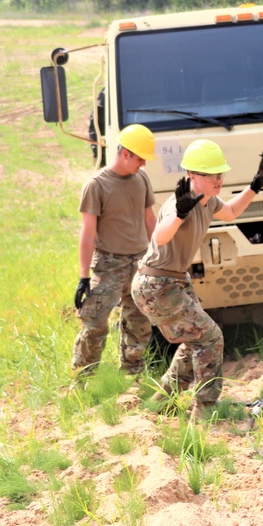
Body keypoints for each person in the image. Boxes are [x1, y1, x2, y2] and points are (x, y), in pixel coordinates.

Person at [132, 139, 263, 420]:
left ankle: (164, 400)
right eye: (211, 175)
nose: (219, 180)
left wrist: (254, 187)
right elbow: (160, 237)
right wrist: (181, 214)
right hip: (156, 285)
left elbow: (231, 212)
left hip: (173, 282)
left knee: (196, 340)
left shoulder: (209, 202)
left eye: (220, 174)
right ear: (193, 176)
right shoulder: (178, 204)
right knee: (210, 336)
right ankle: (205, 409)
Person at [73, 124, 158, 377]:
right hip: (108, 265)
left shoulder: (141, 179)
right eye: (140, 158)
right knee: (94, 324)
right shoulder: (96, 185)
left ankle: (132, 376)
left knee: (139, 323)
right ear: (125, 153)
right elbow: (88, 233)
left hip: (139, 262)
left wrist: (159, 259)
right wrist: (84, 277)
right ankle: (83, 377)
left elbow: (150, 220)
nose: (143, 164)